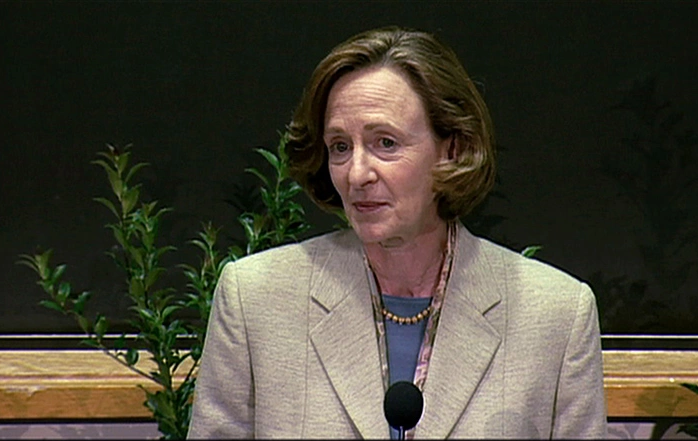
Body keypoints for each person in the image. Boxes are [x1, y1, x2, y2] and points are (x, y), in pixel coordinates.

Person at [187, 26, 607, 439]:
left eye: (385, 143)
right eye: (339, 146)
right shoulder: (256, 299)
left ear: (452, 148)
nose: (357, 173)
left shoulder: (555, 316)